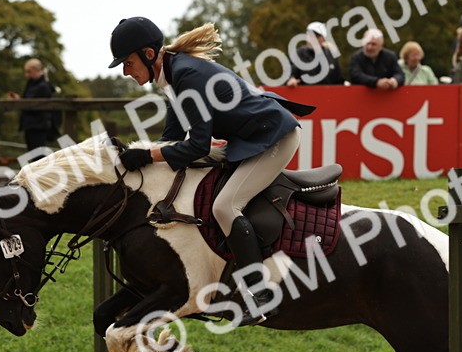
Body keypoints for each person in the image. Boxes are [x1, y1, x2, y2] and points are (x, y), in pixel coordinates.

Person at [108, 16, 312, 326]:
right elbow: (173, 139)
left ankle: (260, 297)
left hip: (274, 138)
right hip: (253, 137)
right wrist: (140, 155)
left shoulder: (186, 75)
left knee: (224, 206)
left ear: (149, 55)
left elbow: (197, 147)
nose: (125, 70)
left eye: (127, 61)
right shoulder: (175, 74)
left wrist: (147, 155)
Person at [8, 58, 59, 156]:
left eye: (29, 72)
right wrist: (20, 100)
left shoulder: (43, 86)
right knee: (33, 154)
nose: (27, 75)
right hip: (31, 124)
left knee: (38, 156)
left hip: (38, 125)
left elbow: (33, 104)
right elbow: (28, 100)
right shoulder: (33, 83)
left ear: (37, 70)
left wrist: (22, 102)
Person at [286, 21, 343, 86]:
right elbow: (289, 74)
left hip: (327, 95)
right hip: (304, 95)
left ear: (323, 38)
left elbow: (339, 80)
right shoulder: (298, 54)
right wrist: (291, 80)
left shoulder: (331, 55)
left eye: (317, 36)